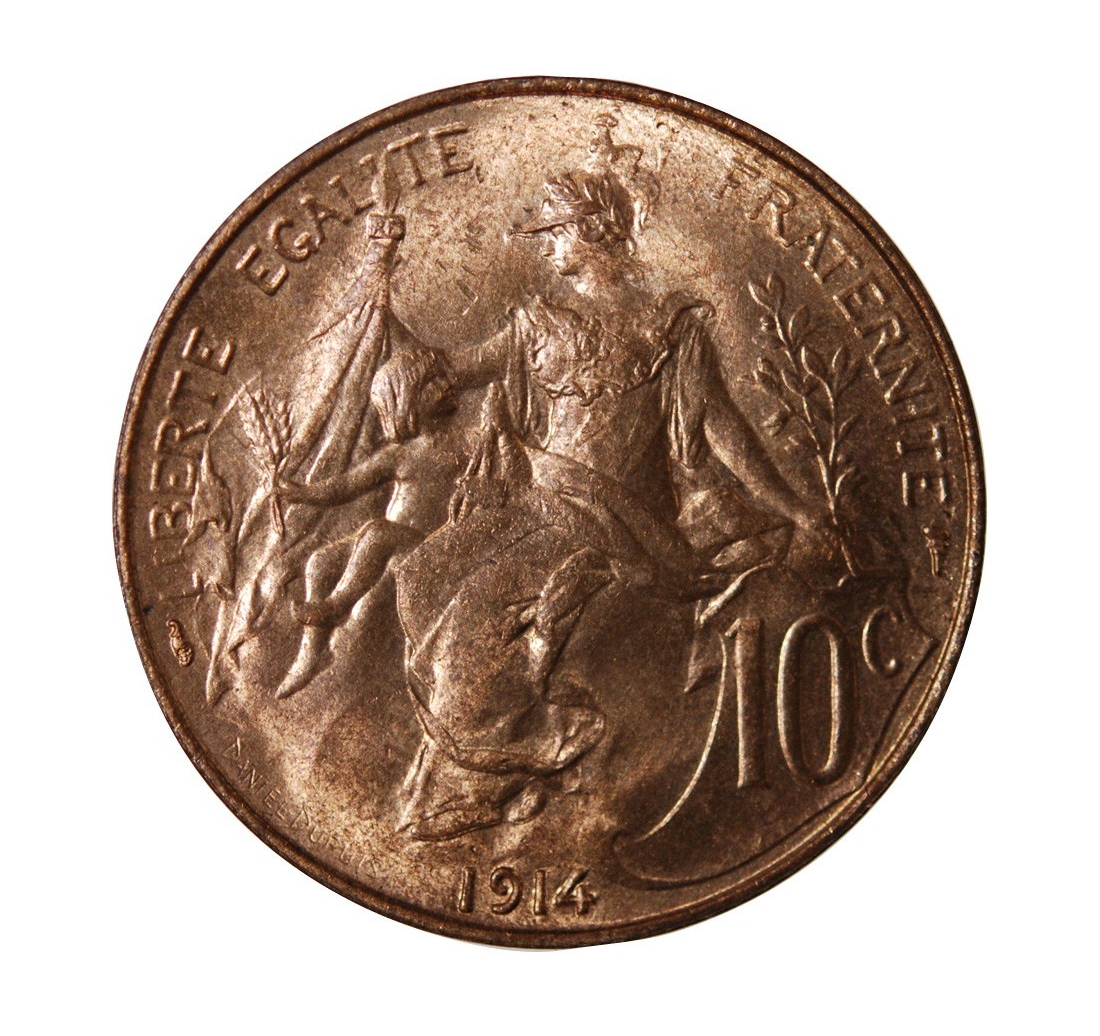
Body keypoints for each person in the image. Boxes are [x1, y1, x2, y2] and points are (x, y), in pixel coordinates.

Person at [391, 166, 833, 840]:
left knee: (471, 621)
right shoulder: (536, 323)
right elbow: (455, 369)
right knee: (426, 571)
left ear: (593, 230)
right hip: (543, 503)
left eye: (555, 233)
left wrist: (793, 506)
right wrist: (408, 368)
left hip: (618, 519)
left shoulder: (667, 327)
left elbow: (721, 428)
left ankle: (517, 761)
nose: (547, 248)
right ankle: (490, 763)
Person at [274, 347, 465, 698]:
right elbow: (345, 486)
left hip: (432, 546)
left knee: (377, 534)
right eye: (432, 382)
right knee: (319, 562)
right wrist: (301, 493)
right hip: (396, 539)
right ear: (406, 401)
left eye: (441, 376)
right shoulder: (399, 454)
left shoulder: (467, 443)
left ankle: (335, 606)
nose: (446, 384)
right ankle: (310, 655)